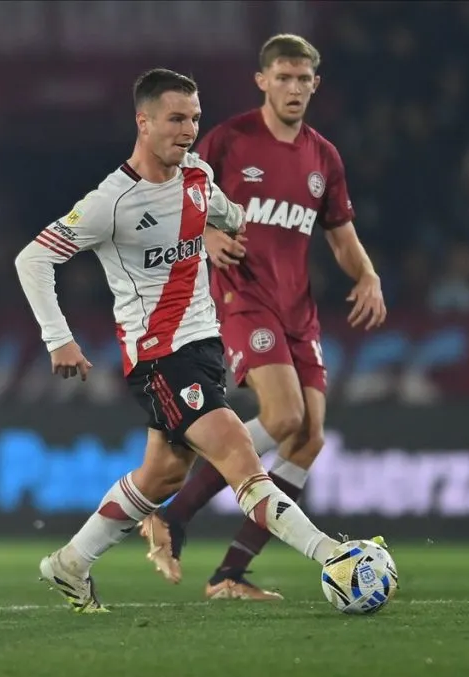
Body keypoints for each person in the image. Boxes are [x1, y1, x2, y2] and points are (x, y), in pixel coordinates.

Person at [15, 67, 382, 613]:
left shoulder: (197, 177)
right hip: (159, 357)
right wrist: (58, 340)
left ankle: (71, 562)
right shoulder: (111, 202)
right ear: (143, 122)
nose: (188, 129)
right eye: (176, 119)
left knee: (162, 473)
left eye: (195, 118)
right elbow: (34, 258)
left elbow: (228, 215)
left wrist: (221, 229)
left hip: (204, 348)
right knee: (239, 452)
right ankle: (334, 555)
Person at [139, 35, 387, 601]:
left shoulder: (323, 157)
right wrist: (206, 233)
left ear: (315, 85)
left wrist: (367, 275)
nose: (293, 88)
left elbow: (341, 236)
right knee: (283, 416)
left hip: (299, 310)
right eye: (282, 77)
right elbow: (171, 197)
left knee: (310, 437)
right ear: (263, 81)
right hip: (242, 298)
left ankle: (229, 574)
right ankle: (171, 516)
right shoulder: (229, 140)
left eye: (302, 79)